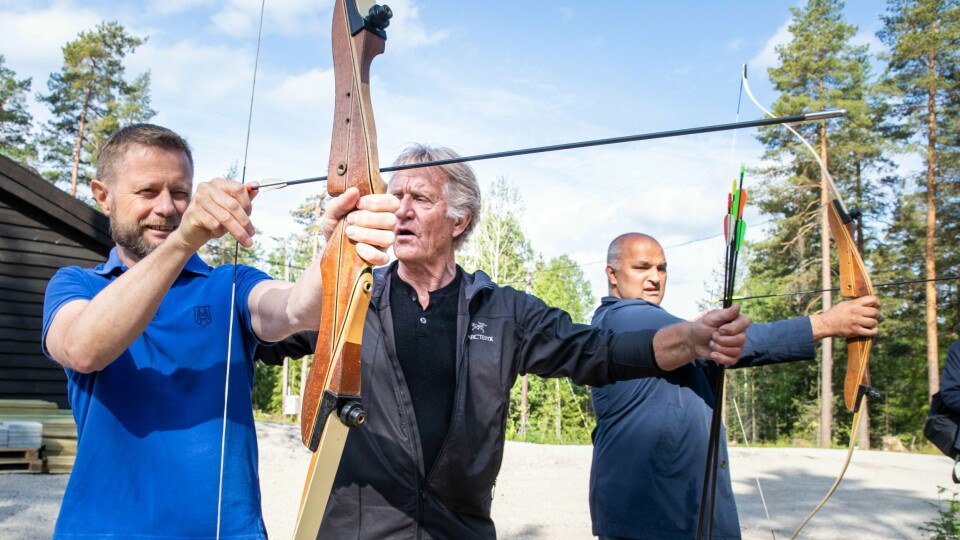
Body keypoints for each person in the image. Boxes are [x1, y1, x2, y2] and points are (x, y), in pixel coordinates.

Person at [256, 144, 751, 539]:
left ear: (459, 221)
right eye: (394, 197)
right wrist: (329, 263)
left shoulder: (504, 309)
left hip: (460, 529)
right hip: (355, 530)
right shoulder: (352, 295)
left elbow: (598, 353)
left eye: (420, 200)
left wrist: (690, 338)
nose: (399, 212)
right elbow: (262, 335)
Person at [41, 123, 399, 539]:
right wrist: (185, 242)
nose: (167, 208)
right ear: (103, 196)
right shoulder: (76, 285)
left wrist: (337, 247)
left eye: (179, 193)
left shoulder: (229, 284)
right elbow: (85, 349)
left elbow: (296, 308)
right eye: (147, 192)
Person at [589, 232, 880, 540]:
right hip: (652, 514)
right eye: (642, 267)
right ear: (612, 274)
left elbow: (703, 345)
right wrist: (828, 323)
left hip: (676, 511)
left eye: (661, 269)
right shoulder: (621, 318)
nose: (655, 278)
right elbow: (730, 342)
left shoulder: (654, 327)